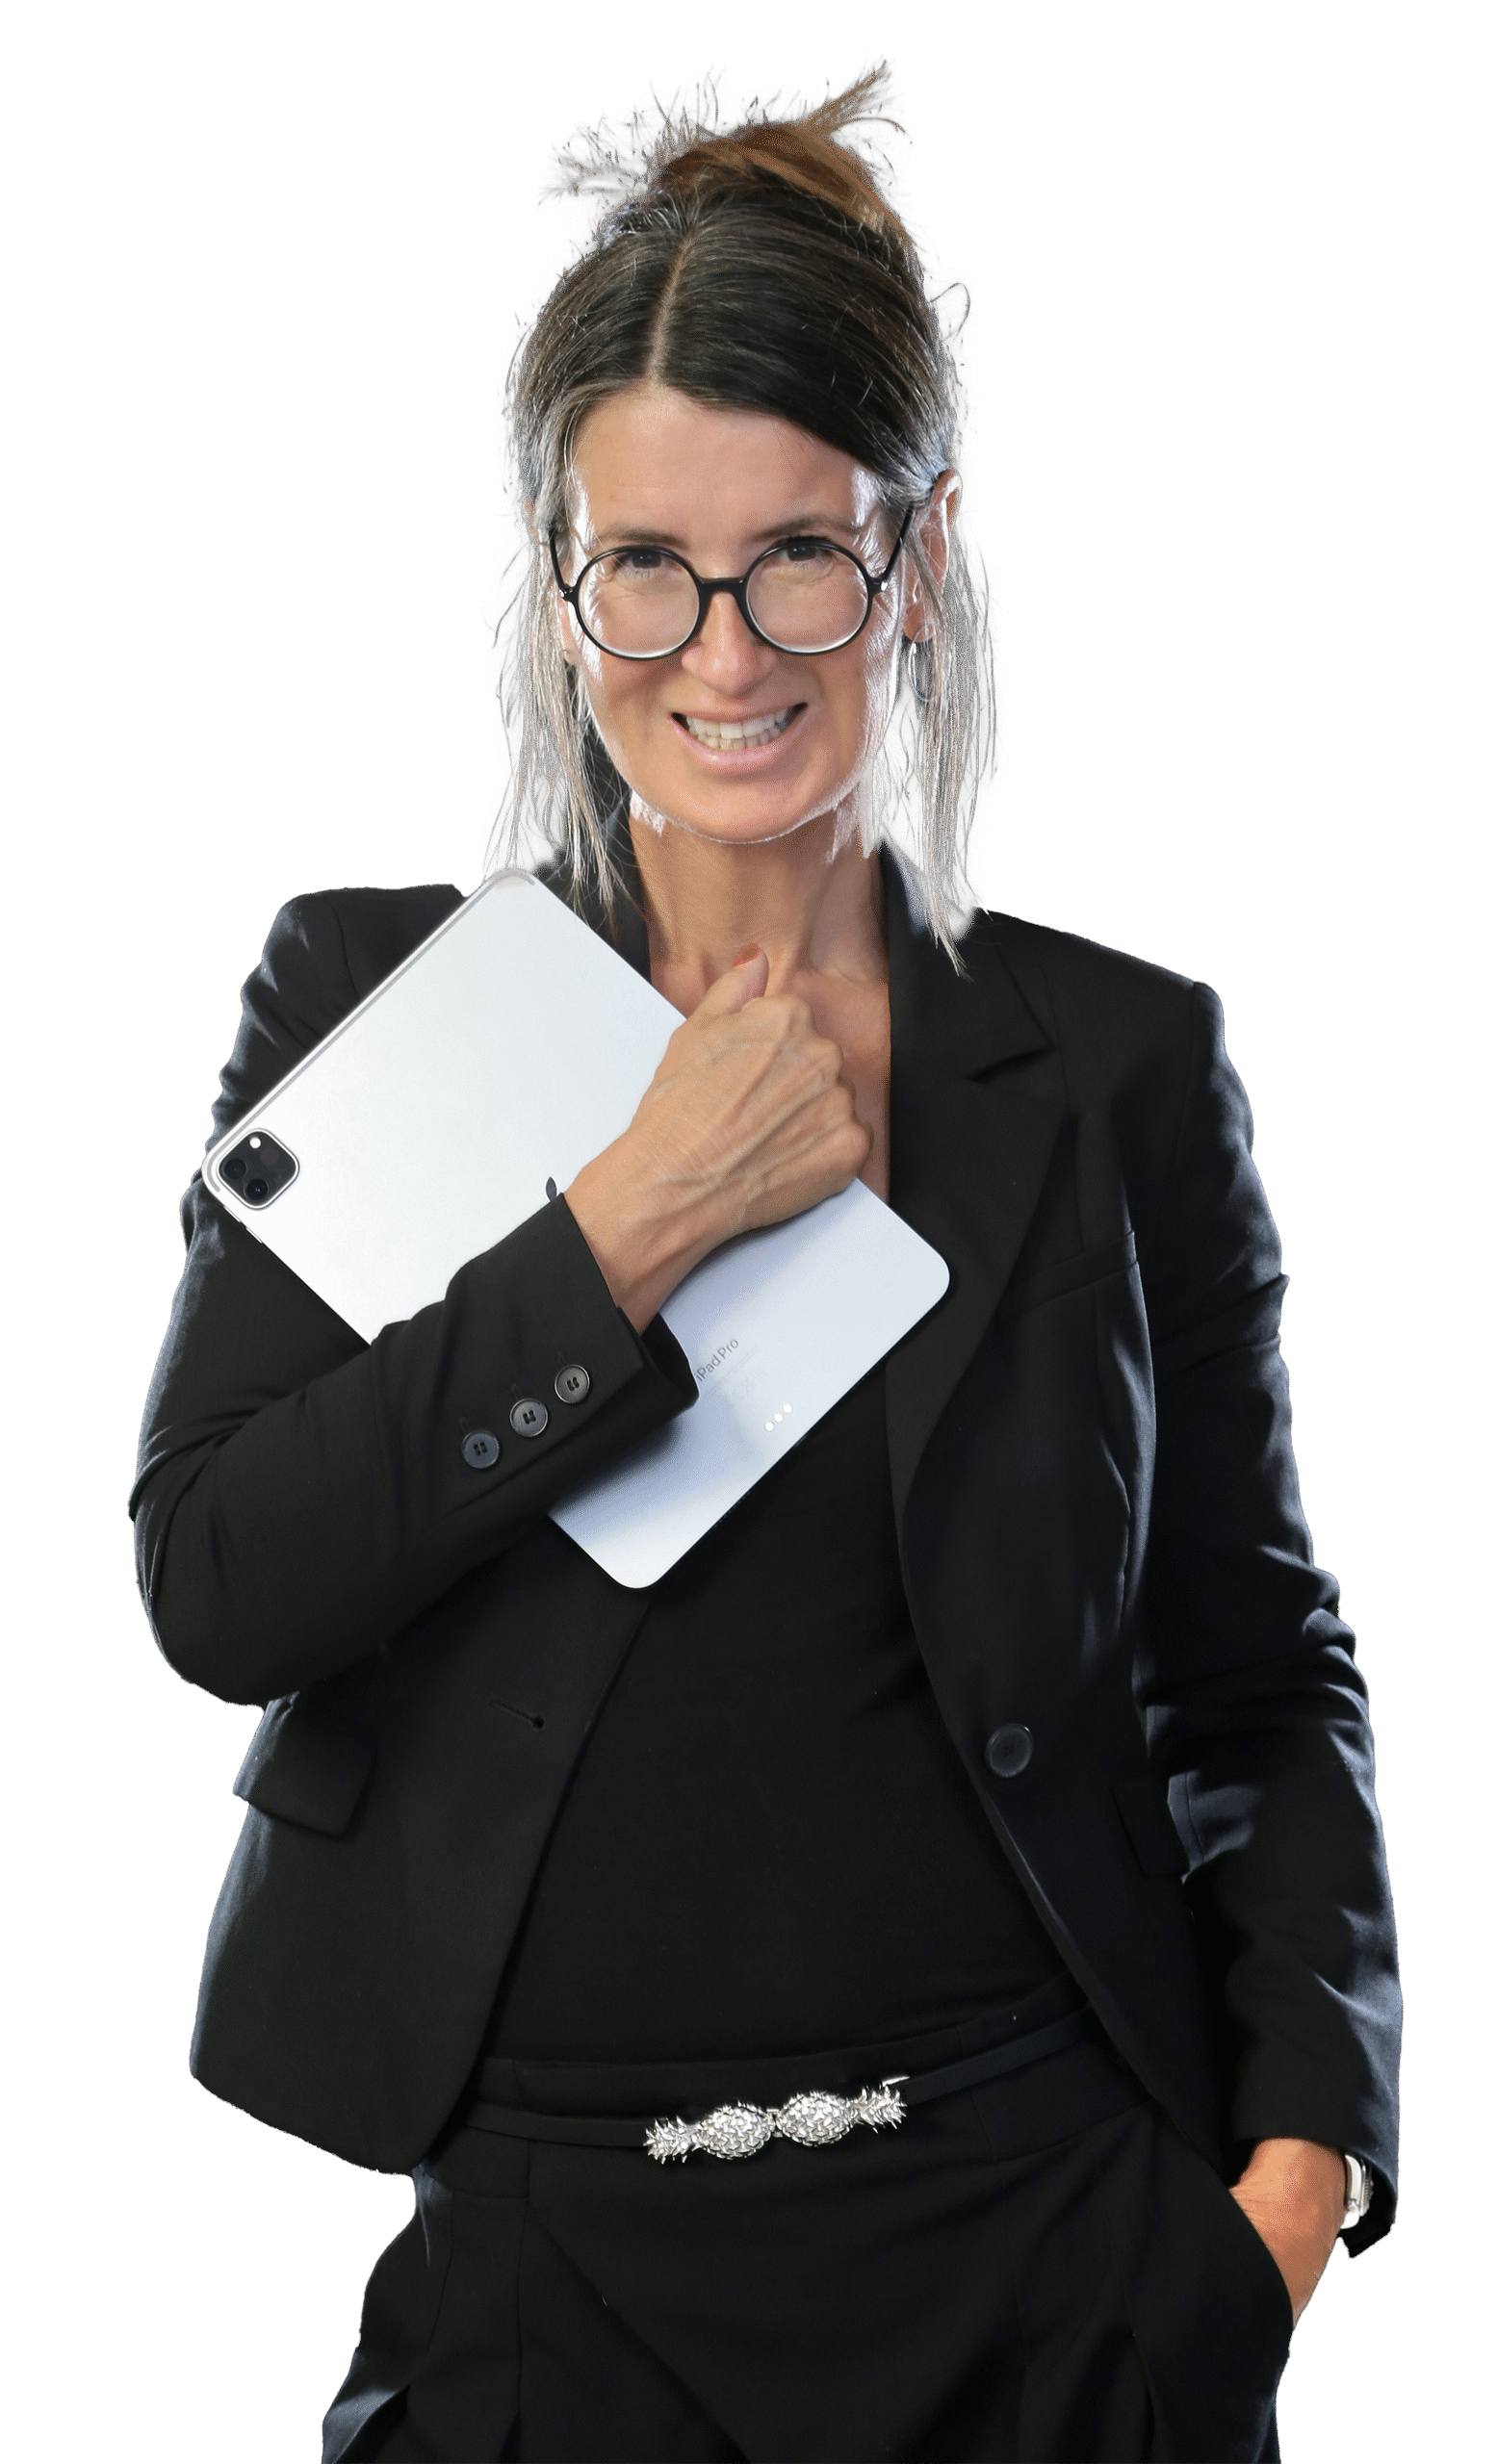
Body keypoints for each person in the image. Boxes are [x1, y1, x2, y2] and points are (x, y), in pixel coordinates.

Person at [133, 75, 1400, 2464]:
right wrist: (634, 1217)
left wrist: (1289, 2196)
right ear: (558, 580)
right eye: (647, 563)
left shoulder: (1121, 1062)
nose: (724, 648)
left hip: (1046, 2257)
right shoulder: (371, 1005)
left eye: (801, 553)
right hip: (546, 2278)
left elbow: (1258, 1668)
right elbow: (215, 1575)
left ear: (920, 558)